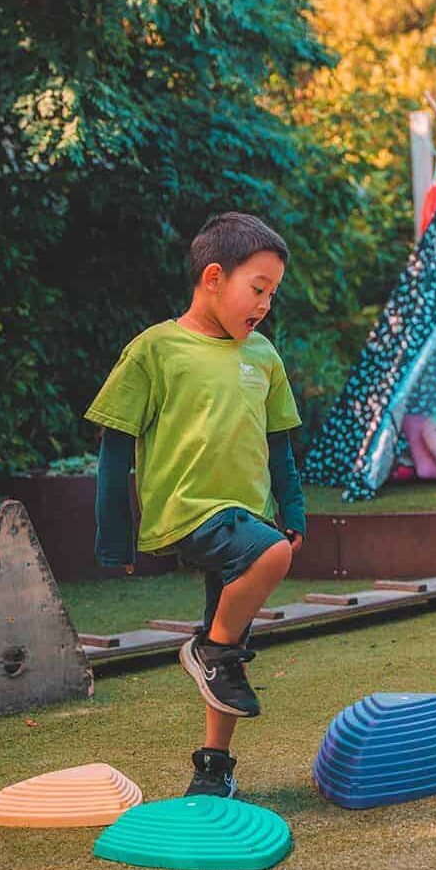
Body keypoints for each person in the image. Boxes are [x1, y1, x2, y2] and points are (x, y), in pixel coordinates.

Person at [85, 211, 305, 797]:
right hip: (190, 511)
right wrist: (113, 536)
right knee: (252, 595)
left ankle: (213, 766)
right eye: (256, 289)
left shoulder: (263, 356)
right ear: (213, 277)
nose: (264, 305)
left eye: (271, 295)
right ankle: (210, 650)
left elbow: (278, 444)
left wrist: (294, 512)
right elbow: (115, 445)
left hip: (248, 516)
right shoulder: (156, 349)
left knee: (229, 657)